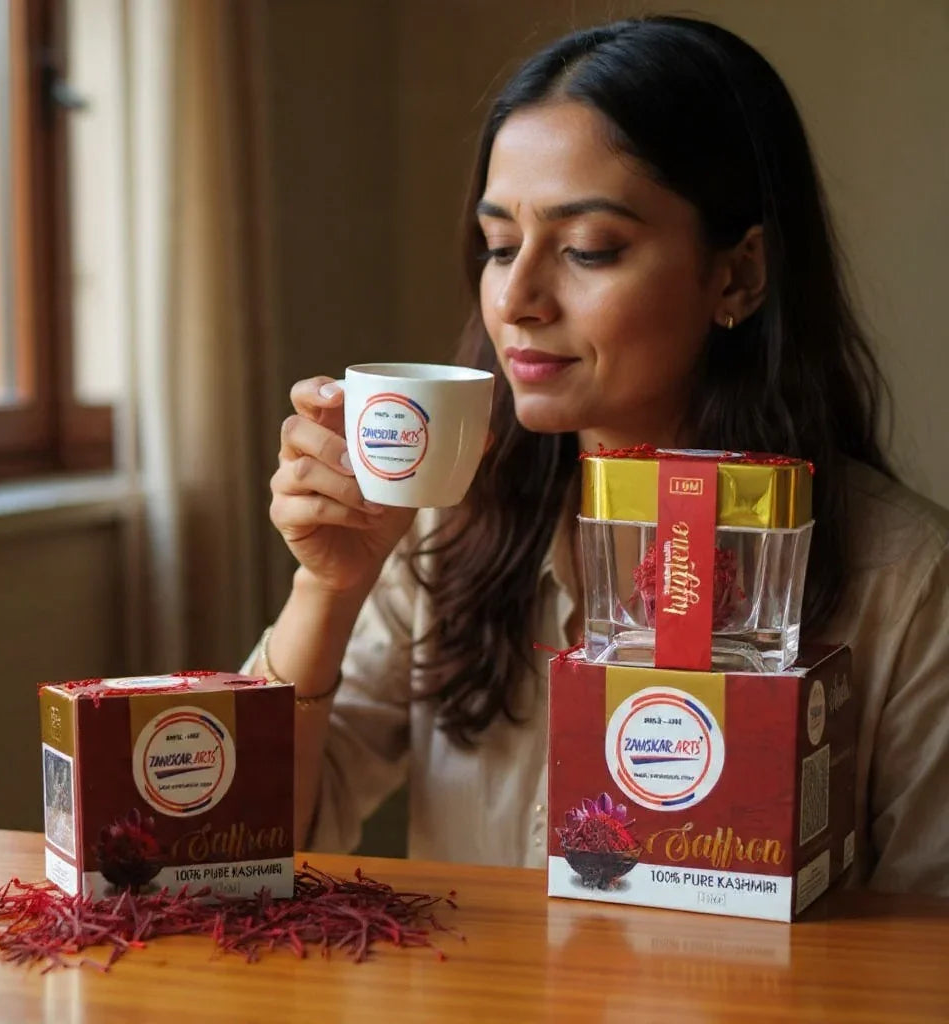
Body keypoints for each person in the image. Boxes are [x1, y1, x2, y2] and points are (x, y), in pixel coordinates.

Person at [244, 16, 949, 894]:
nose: (518, 299)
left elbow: (929, 948)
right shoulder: (453, 523)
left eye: (588, 249)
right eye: (500, 247)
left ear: (737, 276)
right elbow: (251, 842)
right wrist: (328, 587)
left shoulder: (908, 584)